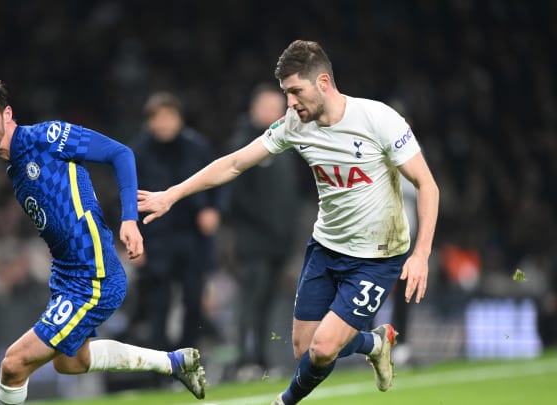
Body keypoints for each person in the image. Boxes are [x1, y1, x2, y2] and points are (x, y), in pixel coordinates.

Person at [137, 39, 439, 405]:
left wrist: (420, 254)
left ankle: (284, 401)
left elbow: (427, 185)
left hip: (378, 254)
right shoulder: (295, 125)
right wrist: (173, 194)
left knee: (325, 348)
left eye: (295, 91)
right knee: (304, 348)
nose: (290, 102)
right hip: (326, 247)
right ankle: (374, 342)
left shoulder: (379, 119)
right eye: (285, 93)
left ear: (323, 83)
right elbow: (234, 163)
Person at [0, 78, 206, 405]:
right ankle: (174, 363)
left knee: (14, 364)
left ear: (7, 114)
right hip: (67, 277)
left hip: (93, 276)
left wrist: (129, 218)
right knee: (70, 362)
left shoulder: (46, 137)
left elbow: (120, 153)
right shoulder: (15, 169)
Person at [129, 91, 221, 351]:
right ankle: (161, 365)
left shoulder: (197, 146)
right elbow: (124, 197)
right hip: (155, 237)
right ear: (148, 121)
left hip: (192, 236)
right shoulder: (136, 152)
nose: (164, 123)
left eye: (169, 117)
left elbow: (217, 182)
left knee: (194, 300)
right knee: (158, 305)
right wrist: (133, 235)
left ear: (180, 119)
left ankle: (187, 355)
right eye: (158, 118)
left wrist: (213, 209)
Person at [225, 83, 302, 376]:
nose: (274, 113)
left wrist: (287, 232)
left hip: (279, 243)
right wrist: (266, 226)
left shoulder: (286, 145)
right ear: (253, 110)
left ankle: (263, 360)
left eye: (278, 108)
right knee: (251, 301)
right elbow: (236, 197)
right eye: (268, 107)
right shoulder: (242, 143)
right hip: (253, 242)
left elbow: (291, 196)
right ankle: (245, 361)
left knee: (270, 303)